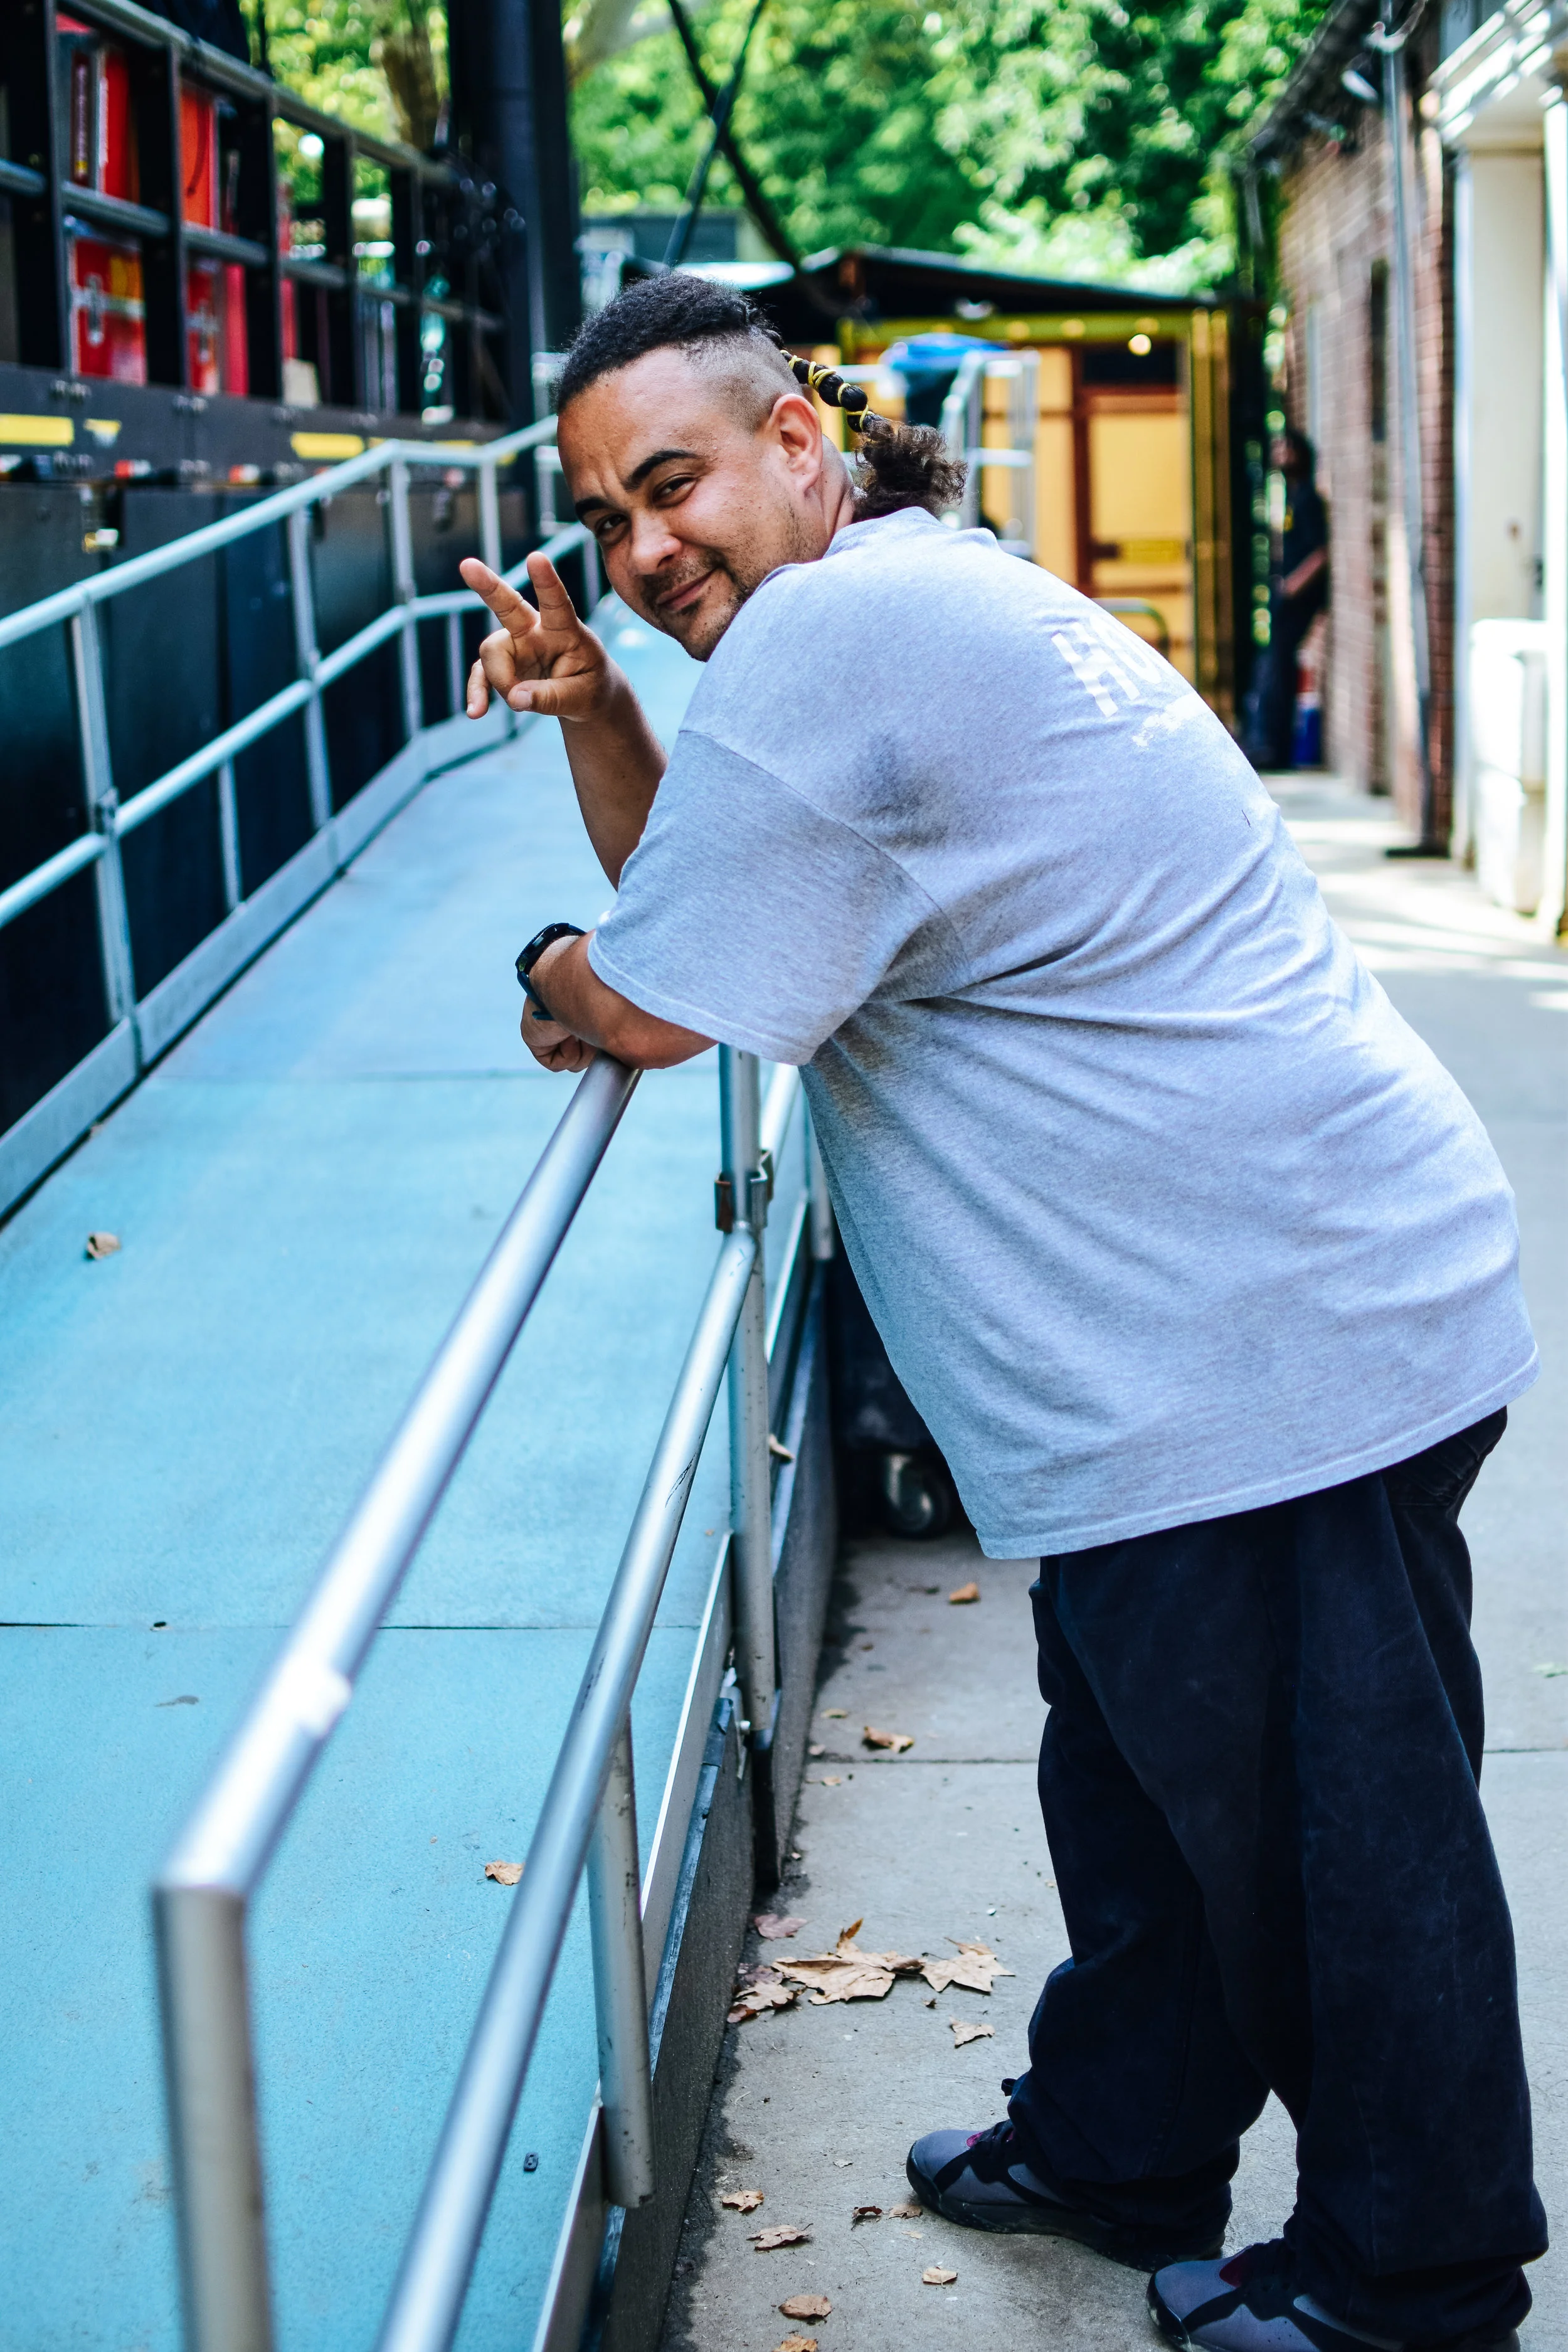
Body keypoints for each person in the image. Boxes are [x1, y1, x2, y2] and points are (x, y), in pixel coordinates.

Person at [458, 274, 1544, 2352]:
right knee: (1140, 1786)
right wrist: (602, 711)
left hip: (1258, 1347)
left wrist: (546, 968)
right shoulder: (914, 595)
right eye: (606, 515)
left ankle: (1419, 2274)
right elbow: (724, 898)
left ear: (803, 443)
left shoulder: (834, 632)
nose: (642, 541)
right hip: (1237, 1327)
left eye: (671, 480)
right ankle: (1124, 2138)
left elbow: (651, 997)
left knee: (1332, 1836)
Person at [1241, 426, 1330, 772]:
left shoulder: (1309, 499)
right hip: (1286, 599)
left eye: (1285, 449)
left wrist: (1293, 585)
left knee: (1279, 668)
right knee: (1273, 668)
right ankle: (1268, 743)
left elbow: (1321, 553)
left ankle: (1276, 748)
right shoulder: (1291, 497)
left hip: (1298, 600)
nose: (1278, 455)